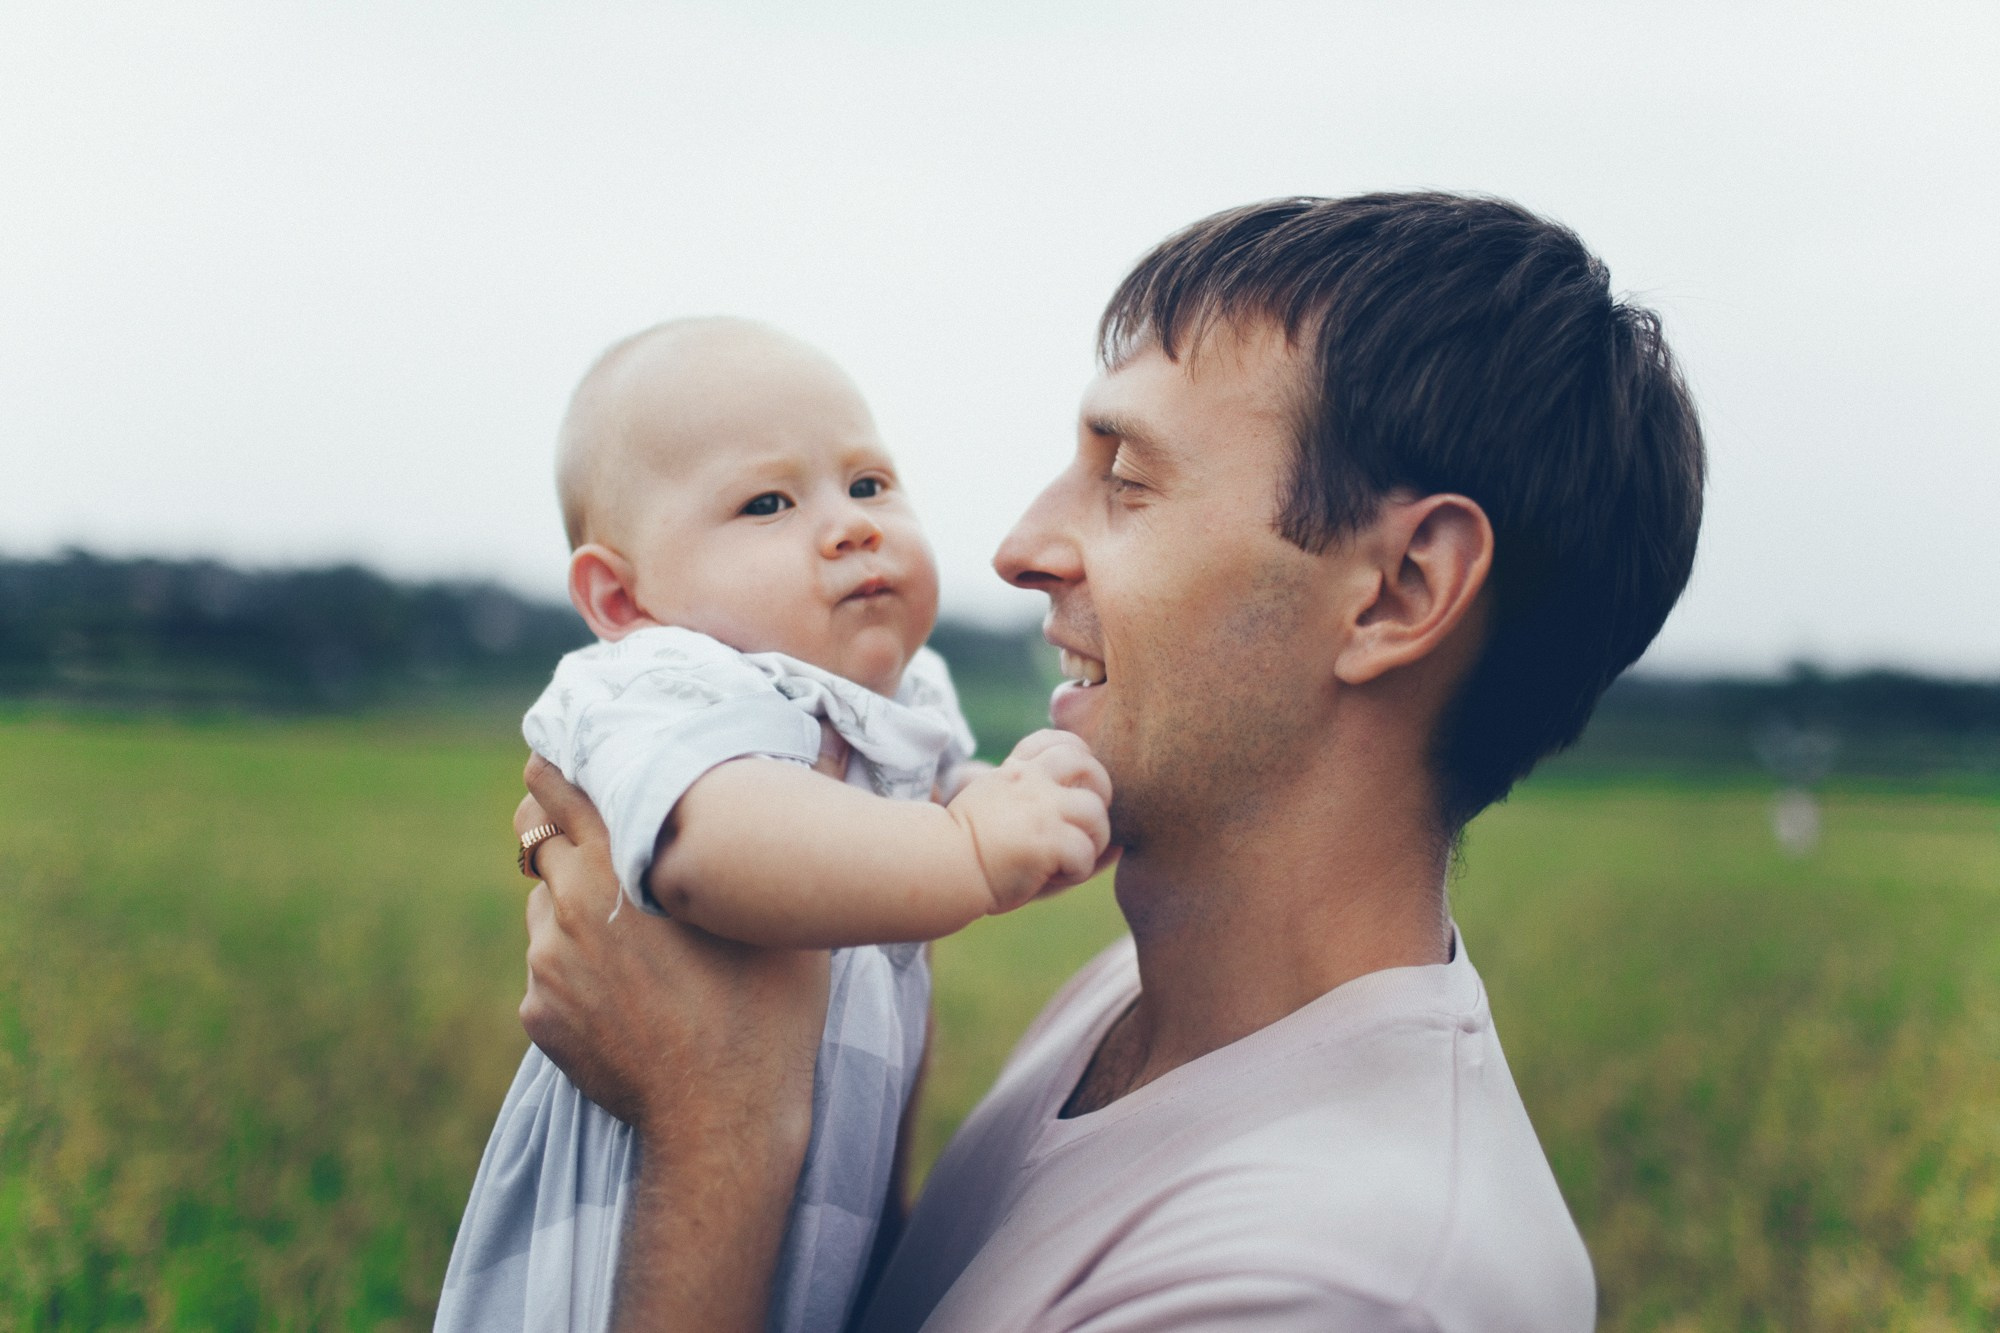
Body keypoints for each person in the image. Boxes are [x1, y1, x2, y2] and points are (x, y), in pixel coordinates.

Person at [509, 193, 1706, 1330]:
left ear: (1397, 591)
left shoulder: (1337, 1285)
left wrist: (714, 1126)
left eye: (1124, 481)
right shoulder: (1129, 999)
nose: (1018, 547)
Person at [438, 318, 1112, 1333]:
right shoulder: (659, 681)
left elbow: (912, 810)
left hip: (798, 1227)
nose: (849, 525)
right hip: (617, 1254)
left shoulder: (892, 693)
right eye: (766, 502)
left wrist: (998, 793)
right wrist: (970, 848)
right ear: (621, 596)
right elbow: (717, 843)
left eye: (869, 484)